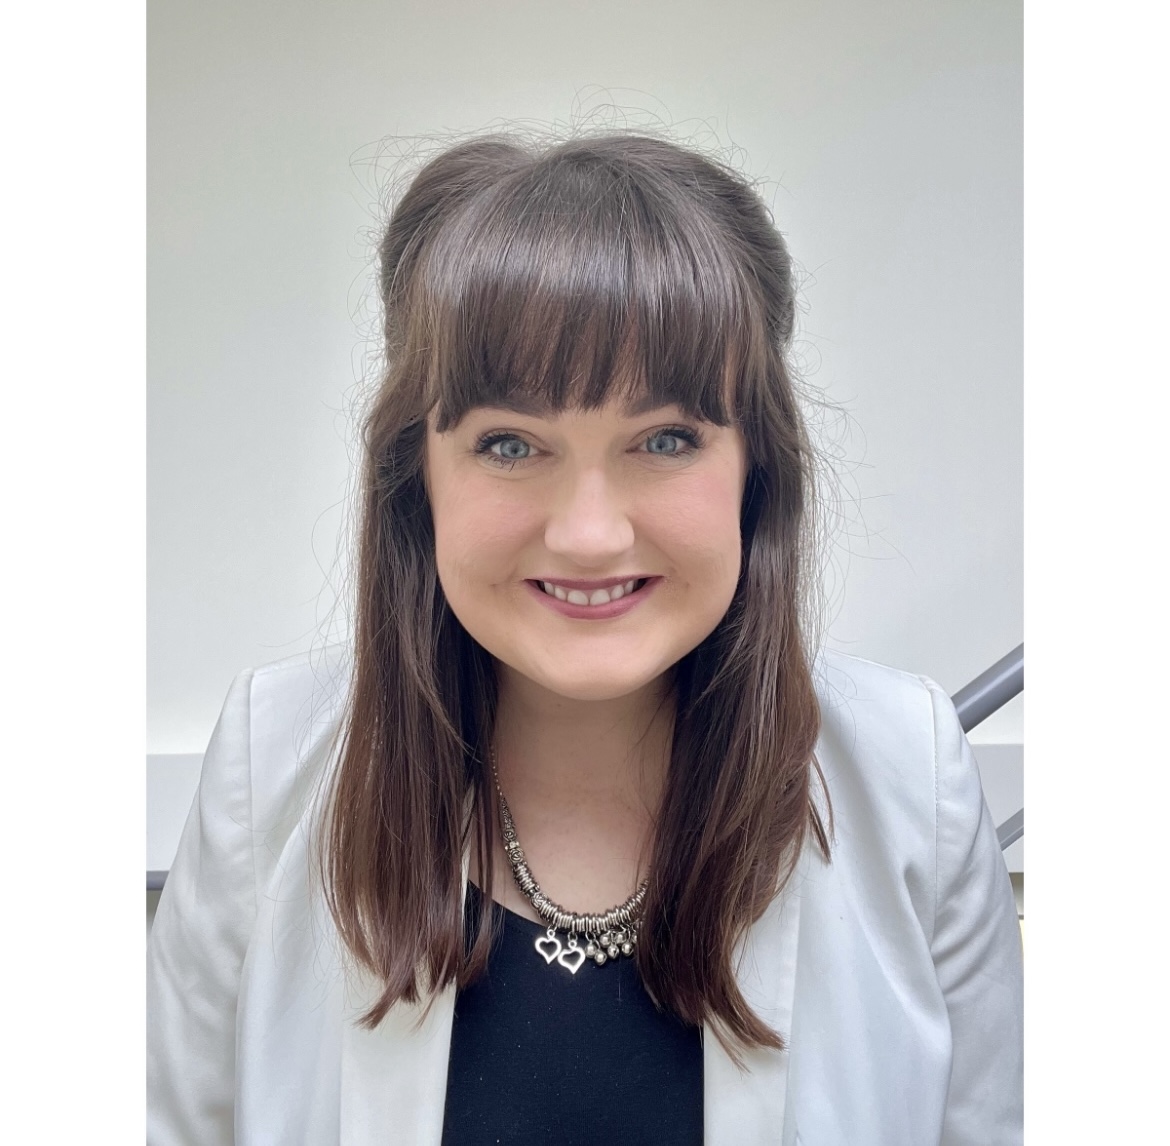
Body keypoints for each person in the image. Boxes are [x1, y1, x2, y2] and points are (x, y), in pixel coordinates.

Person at [147, 131, 1023, 1145]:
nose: (591, 532)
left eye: (665, 440)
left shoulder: (911, 779)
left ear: (757, 471)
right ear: (414, 479)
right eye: (510, 444)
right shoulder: (273, 761)